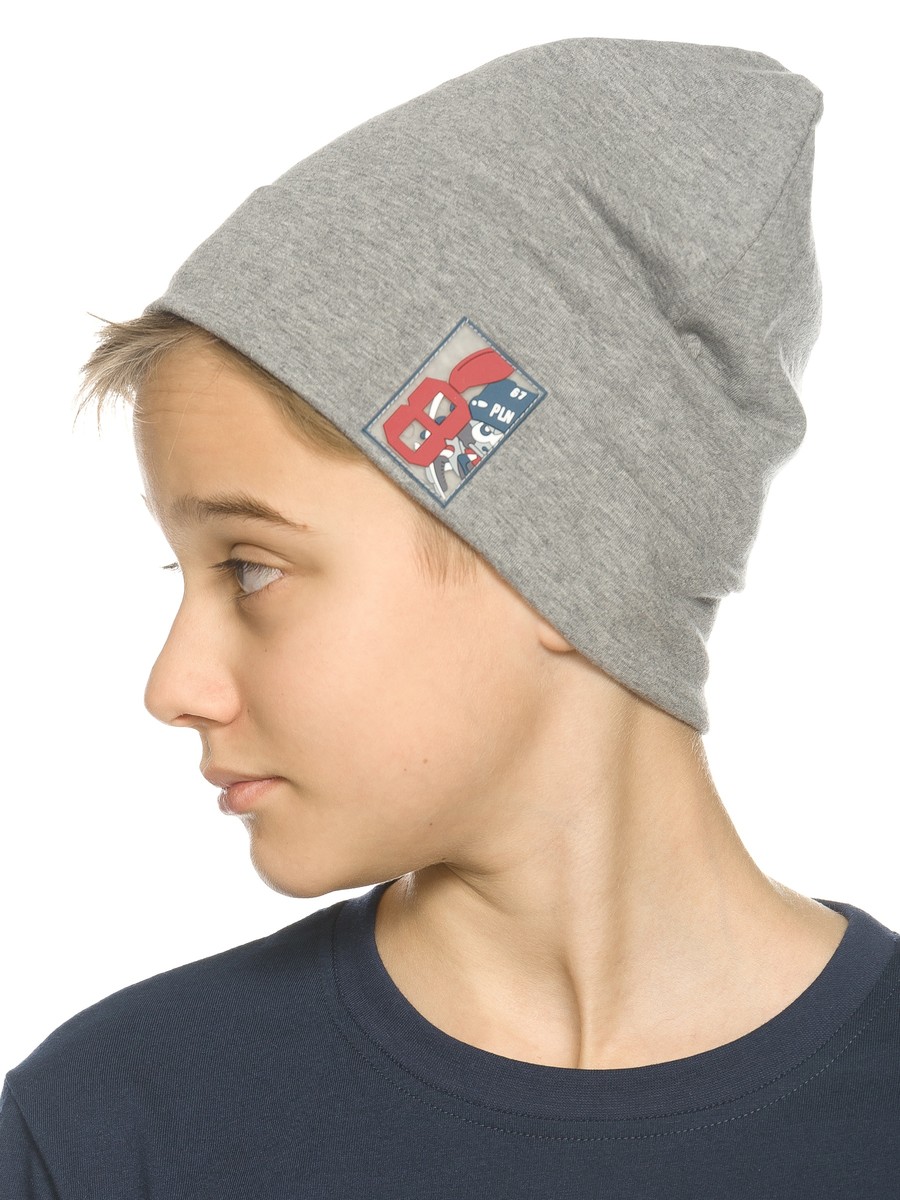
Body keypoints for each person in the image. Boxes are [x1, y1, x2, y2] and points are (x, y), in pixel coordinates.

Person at [2, 36, 897, 1199]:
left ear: (571, 552)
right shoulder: (113, 1127)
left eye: (252, 569)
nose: (172, 686)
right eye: (187, 573)